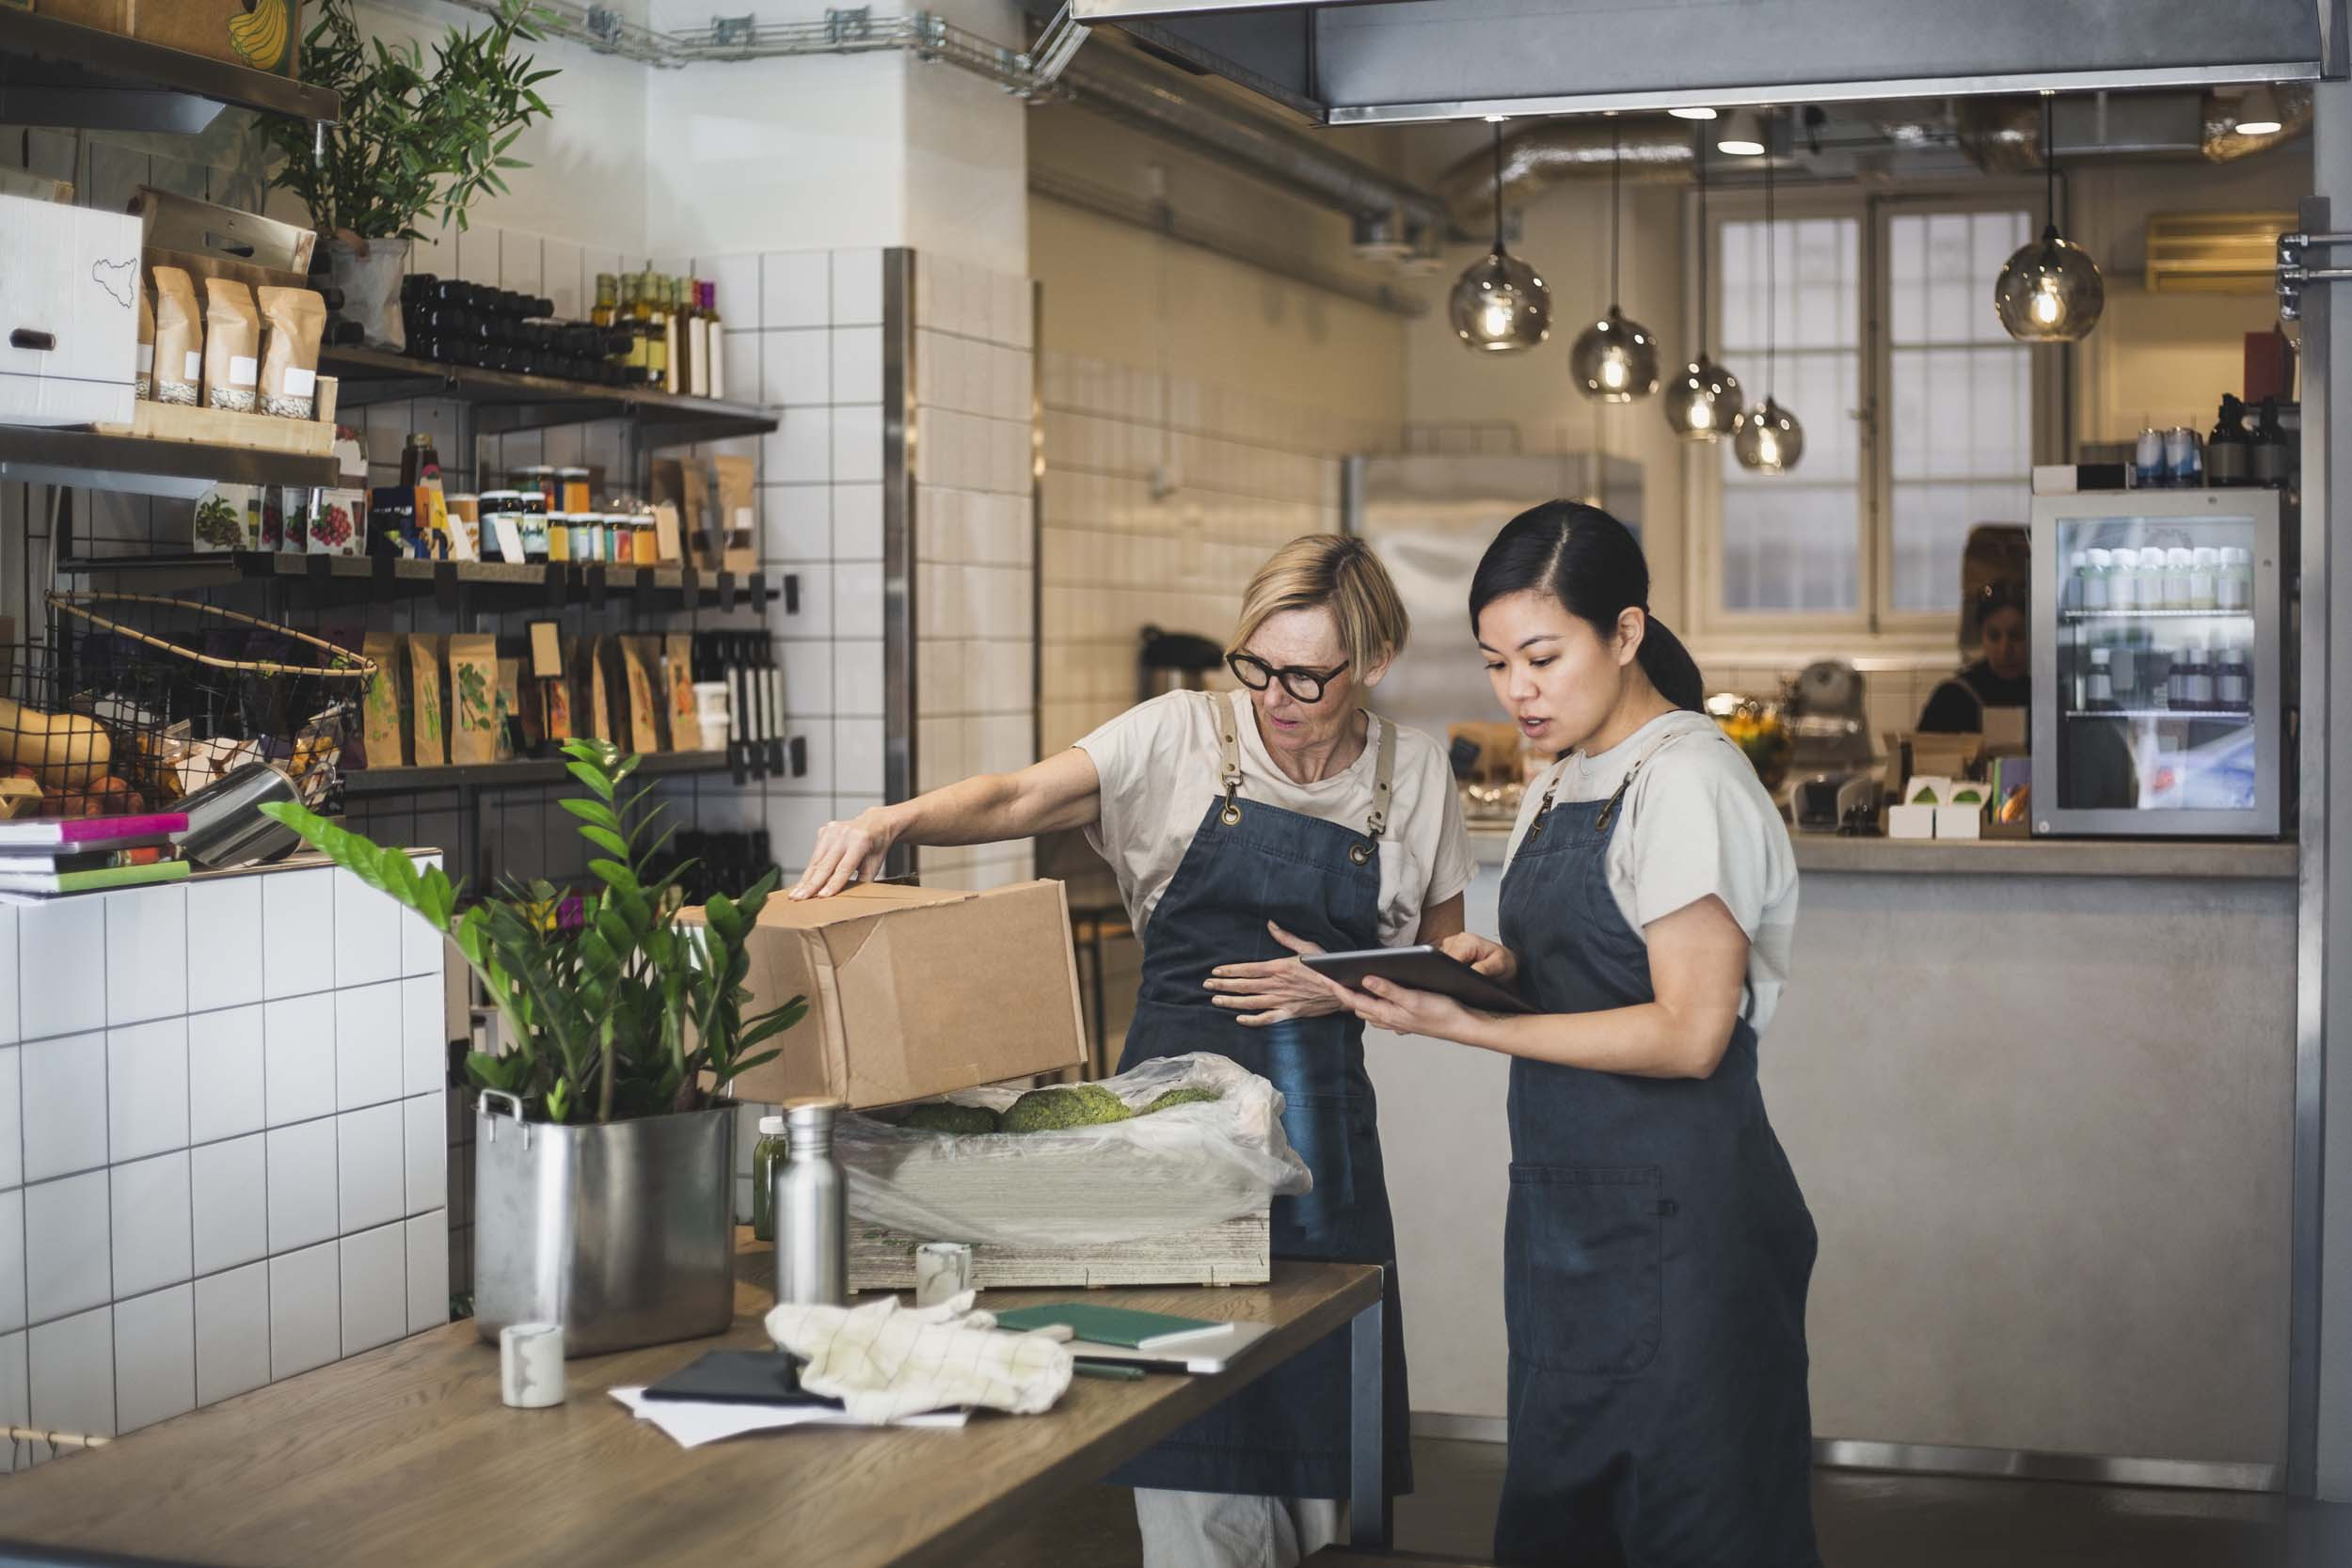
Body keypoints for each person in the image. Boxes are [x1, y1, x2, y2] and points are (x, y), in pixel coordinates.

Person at [790, 533, 1475, 1568]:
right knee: (1181, 1424)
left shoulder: (1413, 773)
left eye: (1306, 674)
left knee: (1319, 1432)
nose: (1276, 695)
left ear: (1372, 663)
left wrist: (1361, 980)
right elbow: (1018, 795)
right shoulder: (1179, 735)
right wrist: (894, 821)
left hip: (1323, 1147)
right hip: (1164, 1144)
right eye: (1256, 663)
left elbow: (1437, 958)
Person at [1317, 502, 1820, 1568]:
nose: (1516, 692)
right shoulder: (1561, 775)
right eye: (1498, 663)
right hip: (1567, 1218)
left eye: (1542, 657)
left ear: (1626, 632)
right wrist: (1501, 971)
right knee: (1566, 1521)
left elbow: (1690, 1033)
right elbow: (1596, 967)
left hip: (1685, 1226)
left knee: (1693, 1522)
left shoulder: (1686, 777)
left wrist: (1471, 1028)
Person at [1918, 578, 2030, 733]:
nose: (2005, 649)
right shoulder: (1953, 700)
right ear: (1981, 637)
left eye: (2016, 635)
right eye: (1994, 637)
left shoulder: (2052, 696)